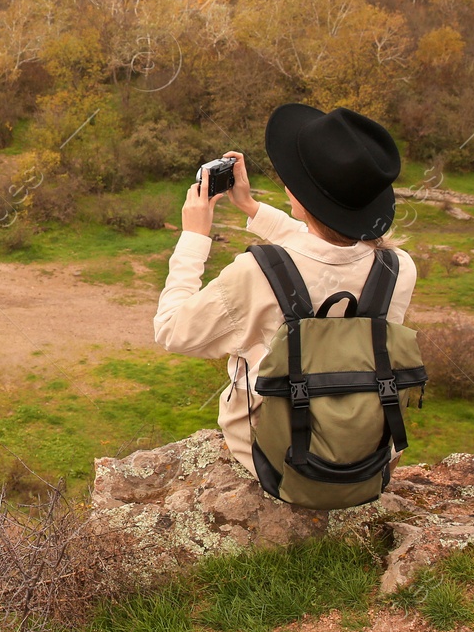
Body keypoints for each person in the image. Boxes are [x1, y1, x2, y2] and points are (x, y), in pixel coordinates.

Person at [154, 104, 417, 478]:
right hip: (367, 453)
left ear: (301, 194)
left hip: (275, 459)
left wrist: (194, 238)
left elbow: (171, 330)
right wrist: (249, 207)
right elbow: (326, 251)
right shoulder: (398, 268)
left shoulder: (255, 274)